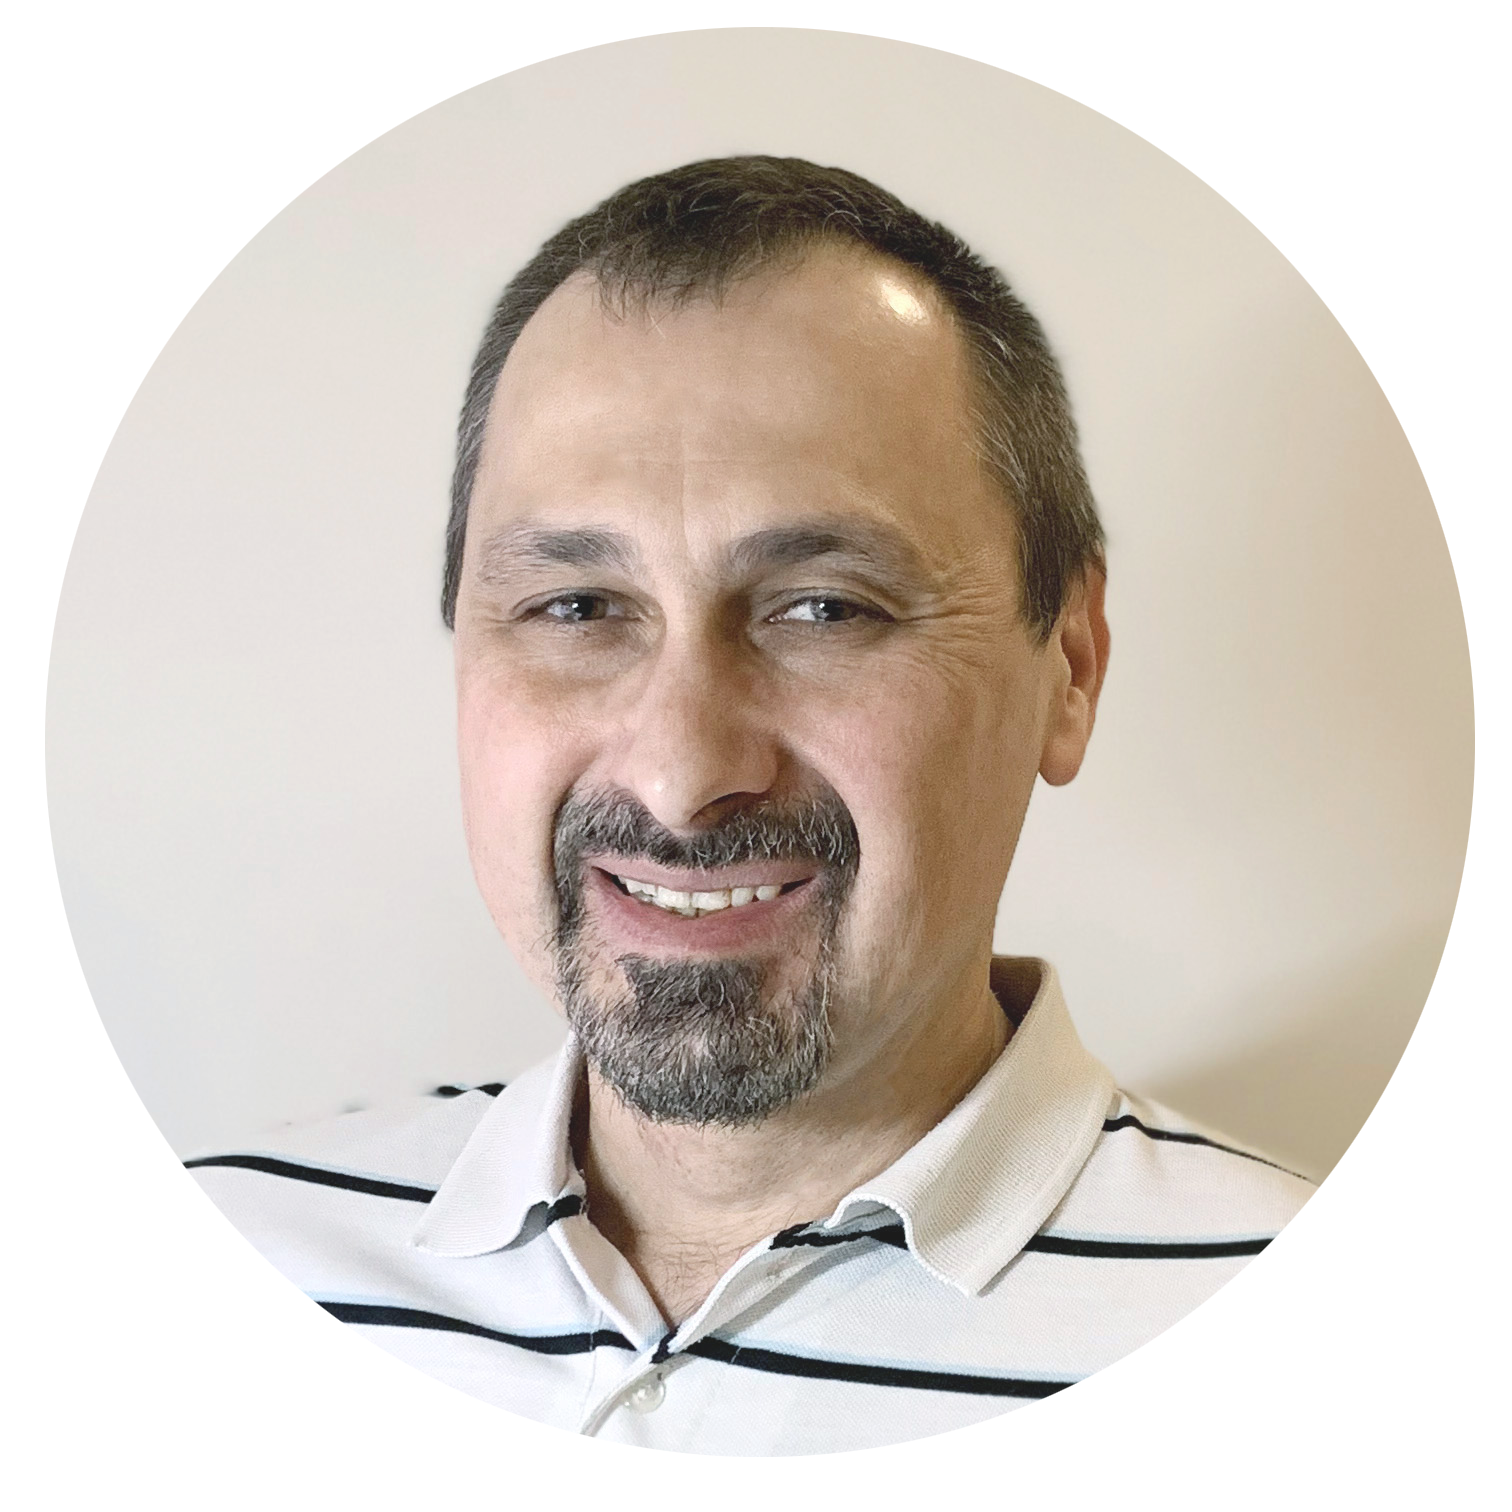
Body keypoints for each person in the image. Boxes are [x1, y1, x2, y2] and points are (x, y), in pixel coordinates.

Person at [186, 156, 1473, 1456]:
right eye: (577, 608)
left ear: (1071, 666)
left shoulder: (1393, 1414)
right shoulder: (183, 1286)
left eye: (824, 608)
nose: (682, 772)